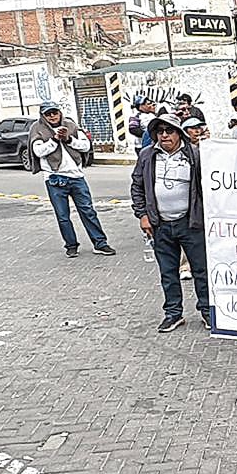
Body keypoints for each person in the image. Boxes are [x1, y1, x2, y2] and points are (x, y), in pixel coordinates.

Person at [131, 115, 211, 332]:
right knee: (168, 272)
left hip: (190, 223)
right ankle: (173, 314)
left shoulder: (194, 154)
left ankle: (207, 311)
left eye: (169, 130)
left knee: (201, 270)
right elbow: (137, 186)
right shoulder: (147, 155)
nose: (164, 135)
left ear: (179, 133)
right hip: (161, 225)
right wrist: (142, 215)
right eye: (160, 131)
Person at [30, 101, 113, 258]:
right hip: (54, 178)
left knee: (88, 211)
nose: (52, 116)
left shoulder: (71, 125)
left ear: (60, 112)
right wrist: (54, 139)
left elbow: (85, 146)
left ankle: (100, 243)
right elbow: (38, 151)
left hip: (76, 176)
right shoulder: (37, 129)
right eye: (48, 114)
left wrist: (68, 139)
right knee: (63, 216)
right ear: (43, 116)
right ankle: (71, 245)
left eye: (55, 112)